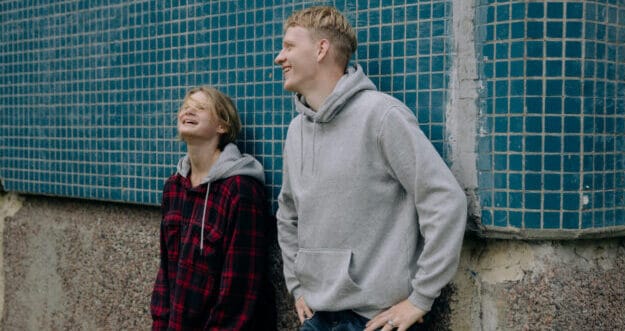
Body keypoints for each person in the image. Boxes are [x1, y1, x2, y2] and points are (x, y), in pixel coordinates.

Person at [274, 6, 468, 331]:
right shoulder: (296, 131)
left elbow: (445, 201)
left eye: (290, 46)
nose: (280, 57)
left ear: (321, 49)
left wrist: (420, 299)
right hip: (317, 316)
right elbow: (287, 214)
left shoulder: (381, 117)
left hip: (376, 321)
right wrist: (296, 286)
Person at [151, 86, 272, 330]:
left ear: (222, 126)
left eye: (200, 107)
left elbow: (239, 290)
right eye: (185, 107)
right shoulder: (173, 188)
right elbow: (166, 272)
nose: (188, 111)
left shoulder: (241, 190)